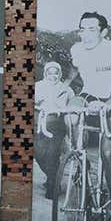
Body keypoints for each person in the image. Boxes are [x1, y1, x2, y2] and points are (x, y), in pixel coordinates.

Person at [63, 11, 111, 221]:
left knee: (108, 152)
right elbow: (74, 68)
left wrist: (108, 104)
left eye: (92, 29)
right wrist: (65, 85)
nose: (86, 34)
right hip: (88, 96)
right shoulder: (77, 49)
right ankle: (80, 160)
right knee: (70, 113)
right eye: (82, 29)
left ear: (103, 32)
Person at [34, 62, 72, 198]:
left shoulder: (66, 89)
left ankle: (52, 186)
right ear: (45, 73)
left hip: (57, 124)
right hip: (39, 122)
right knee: (38, 153)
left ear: (60, 74)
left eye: (56, 73)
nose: (53, 76)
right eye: (50, 73)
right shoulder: (38, 86)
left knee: (52, 155)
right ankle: (53, 177)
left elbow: (72, 106)